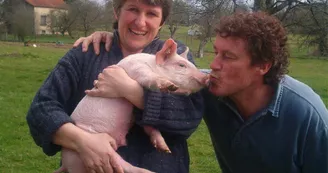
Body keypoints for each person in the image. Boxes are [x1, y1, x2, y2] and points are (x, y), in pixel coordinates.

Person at [78, 11, 328, 173]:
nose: (214, 65)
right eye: (216, 52)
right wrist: (111, 37)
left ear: (262, 66)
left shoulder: (306, 113)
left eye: (228, 57)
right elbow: (169, 75)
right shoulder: (213, 87)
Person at [26, 0, 204, 173]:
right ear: (117, 12)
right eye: (133, 9)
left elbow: (189, 117)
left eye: (151, 13)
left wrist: (131, 91)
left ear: (162, 22)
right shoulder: (87, 52)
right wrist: (82, 141)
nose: (140, 22)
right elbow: (41, 110)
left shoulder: (174, 57)